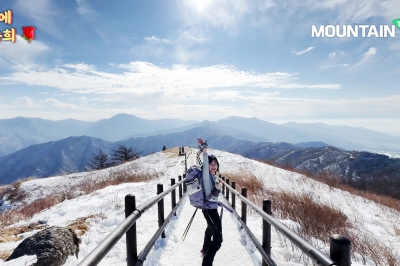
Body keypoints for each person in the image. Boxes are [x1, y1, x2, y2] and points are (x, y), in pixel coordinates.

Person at [197, 138, 222, 266]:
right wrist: (204, 149)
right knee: (218, 240)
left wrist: (217, 190)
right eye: (211, 164)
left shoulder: (213, 177)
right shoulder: (206, 175)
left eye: (215, 164)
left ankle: (205, 250)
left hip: (211, 209)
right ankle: (206, 263)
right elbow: (205, 163)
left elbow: (211, 194)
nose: (213, 166)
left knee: (209, 230)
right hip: (210, 211)